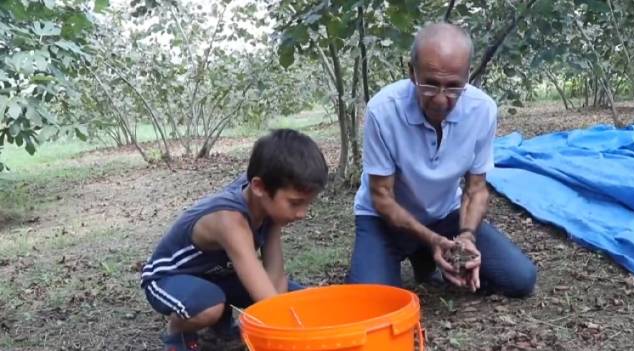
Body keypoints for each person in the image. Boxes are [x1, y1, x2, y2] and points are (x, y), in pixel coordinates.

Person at [346, 23, 537, 297]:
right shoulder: (383, 111)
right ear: (411, 72)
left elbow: (476, 188)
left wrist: (467, 236)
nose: (440, 99)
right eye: (430, 84)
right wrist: (432, 240)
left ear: (467, 76)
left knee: (520, 279)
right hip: (384, 219)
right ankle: (416, 251)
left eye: (453, 87)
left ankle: (425, 256)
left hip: (444, 214)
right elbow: (382, 197)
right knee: (371, 301)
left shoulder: (482, 110)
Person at [140, 129, 328, 351]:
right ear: (259, 187)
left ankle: (220, 330)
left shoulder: (266, 200)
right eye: (295, 203)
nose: (302, 213)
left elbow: (275, 274)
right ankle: (177, 332)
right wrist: (288, 337)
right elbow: (265, 297)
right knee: (209, 305)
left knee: (299, 299)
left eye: (307, 204)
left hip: (217, 276)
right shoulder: (230, 221)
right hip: (167, 278)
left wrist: (288, 310)